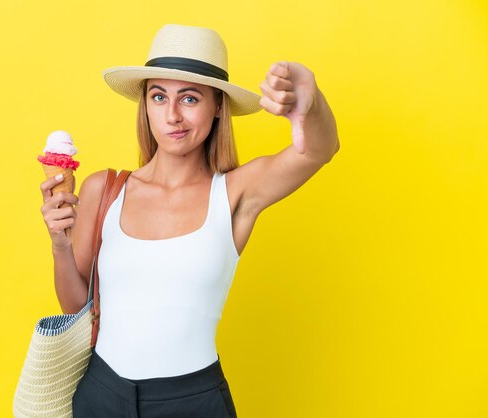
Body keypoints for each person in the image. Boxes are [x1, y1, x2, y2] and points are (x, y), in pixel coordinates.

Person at [39, 24, 339, 418]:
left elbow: (319, 149)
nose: (172, 115)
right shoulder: (104, 189)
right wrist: (60, 242)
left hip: (193, 402)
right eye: (159, 96)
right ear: (145, 105)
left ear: (217, 105)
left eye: (190, 98)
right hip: (101, 394)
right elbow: (76, 306)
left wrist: (310, 99)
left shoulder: (234, 193)